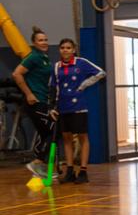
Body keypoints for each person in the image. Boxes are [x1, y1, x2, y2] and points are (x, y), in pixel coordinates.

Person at [51, 38, 105, 183]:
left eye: (68, 48)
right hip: (63, 107)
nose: (65, 50)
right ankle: (69, 171)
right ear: (59, 50)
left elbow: (101, 73)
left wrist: (83, 85)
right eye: (62, 48)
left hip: (78, 107)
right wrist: (52, 107)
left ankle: (83, 171)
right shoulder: (56, 66)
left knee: (82, 138)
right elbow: (53, 87)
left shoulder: (81, 63)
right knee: (67, 139)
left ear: (73, 50)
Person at [11, 26, 56, 178]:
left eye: (46, 40)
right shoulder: (34, 57)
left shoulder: (44, 58)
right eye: (40, 40)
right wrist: (29, 94)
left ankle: (40, 167)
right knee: (52, 128)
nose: (44, 42)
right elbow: (17, 74)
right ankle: (37, 162)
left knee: (46, 131)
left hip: (44, 100)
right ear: (34, 43)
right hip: (35, 102)